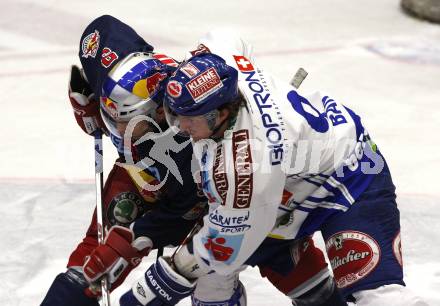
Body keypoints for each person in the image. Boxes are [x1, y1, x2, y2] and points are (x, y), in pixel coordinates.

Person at [118, 34, 427, 306]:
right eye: (176, 114)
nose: (181, 127)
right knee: (210, 281)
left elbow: (224, 248)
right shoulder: (223, 63)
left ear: (222, 114)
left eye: (191, 119)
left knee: (378, 297)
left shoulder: (243, 167)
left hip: (350, 178)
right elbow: (229, 39)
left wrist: (163, 280)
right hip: (287, 185)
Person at [40, 15, 207, 306]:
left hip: (191, 199)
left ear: (159, 113)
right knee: (94, 255)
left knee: (209, 274)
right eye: (111, 117)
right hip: (138, 170)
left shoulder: (190, 139)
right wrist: (89, 108)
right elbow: (102, 28)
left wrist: (130, 241)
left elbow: (181, 214)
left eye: (127, 121)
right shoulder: (114, 66)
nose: (118, 130)